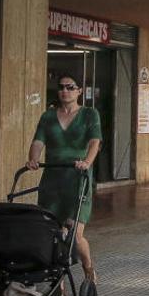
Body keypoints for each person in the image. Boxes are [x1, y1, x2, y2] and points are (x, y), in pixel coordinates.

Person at [26, 73, 101, 283]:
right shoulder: (48, 116)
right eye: (61, 87)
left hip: (78, 180)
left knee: (75, 236)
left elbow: (95, 141)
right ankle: (57, 284)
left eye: (70, 87)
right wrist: (33, 159)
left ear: (79, 91)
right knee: (53, 235)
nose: (65, 91)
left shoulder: (89, 114)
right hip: (52, 181)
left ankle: (88, 269)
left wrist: (87, 162)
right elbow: (38, 141)